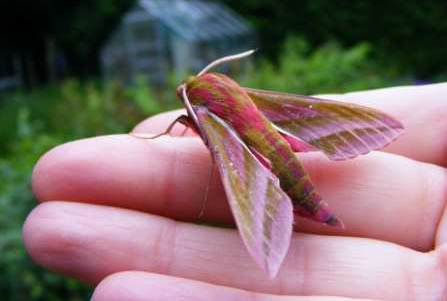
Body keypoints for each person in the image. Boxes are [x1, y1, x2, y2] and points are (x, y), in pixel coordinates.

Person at [23, 82, 447, 300]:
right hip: (280, 147)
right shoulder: (231, 104)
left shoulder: (204, 120)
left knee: (239, 168)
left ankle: (286, 217)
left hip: (272, 163)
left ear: (191, 108)